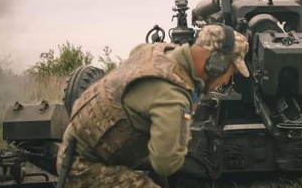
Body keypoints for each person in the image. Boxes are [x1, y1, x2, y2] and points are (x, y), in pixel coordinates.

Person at [56, 24, 250, 188]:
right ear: (217, 63)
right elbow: (166, 163)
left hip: (75, 147)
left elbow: (136, 51)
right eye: (230, 71)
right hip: (81, 168)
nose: (226, 80)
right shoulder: (173, 96)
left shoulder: (158, 51)